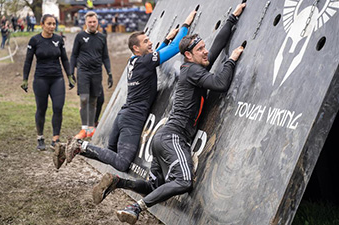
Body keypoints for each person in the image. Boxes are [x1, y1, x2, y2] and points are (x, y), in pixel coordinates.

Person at [91, 3, 246, 224]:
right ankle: (135, 208)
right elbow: (220, 83)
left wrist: (232, 18)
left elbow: (216, 48)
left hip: (162, 138)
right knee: (184, 182)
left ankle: (119, 182)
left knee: (156, 186)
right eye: (201, 49)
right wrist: (232, 59)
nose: (206, 52)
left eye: (204, 47)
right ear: (189, 56)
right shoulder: (193, 72)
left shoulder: (193, 67)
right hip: (173, 138)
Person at [53, 10, 197, 172]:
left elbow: (155, 55)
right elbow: (175, 48)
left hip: (123, 115)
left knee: (110, 153)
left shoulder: (134, 61)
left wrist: (165, 40)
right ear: (136, 48)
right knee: (122, 163)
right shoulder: (146, 62)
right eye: (146, 41)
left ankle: (70, 149)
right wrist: (185, 25)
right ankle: (79, 144)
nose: (150, 43)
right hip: (133, 119)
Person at [21, 14, 75, 150]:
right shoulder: (34, 40)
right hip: (41, 79)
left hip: (57, 78)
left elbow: (65, 59)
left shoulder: (58, 39)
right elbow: (28, 61)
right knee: (42, 108)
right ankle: (40, 138)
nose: (52, 26)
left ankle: (55, 139)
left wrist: (69, 76)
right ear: (42, 24)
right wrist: (25, 79)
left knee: (58, 107)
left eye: (54, 24)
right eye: (49, 24)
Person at [69, 11, 113, 140]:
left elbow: (105, 56)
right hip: (83, 71)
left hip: (96, 72)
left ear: (97, 22)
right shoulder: (80, 36)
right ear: (86, 23)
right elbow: (73, 55)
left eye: (94, 22)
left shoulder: (102, 37)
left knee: (94, 100)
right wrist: (71, 72)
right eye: (90, 22)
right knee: (84, 99)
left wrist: (109, 72)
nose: (92, 24)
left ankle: (91, 127)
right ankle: (84, 129)